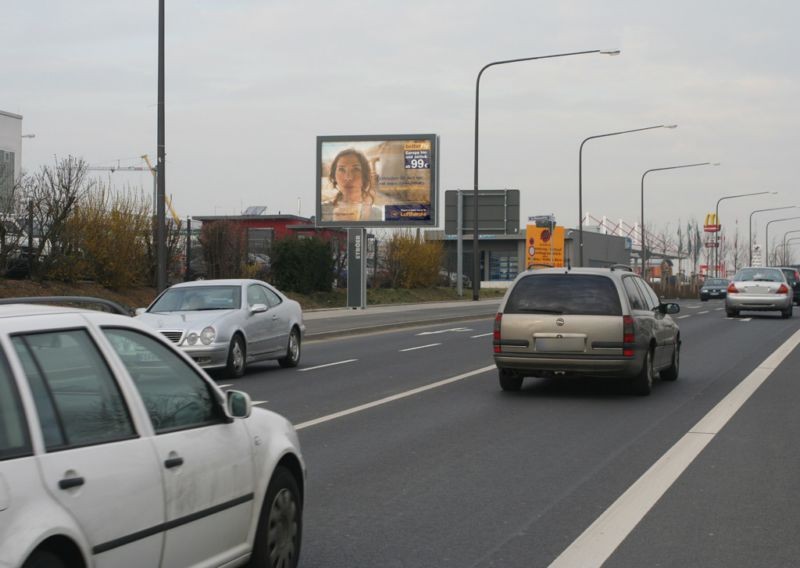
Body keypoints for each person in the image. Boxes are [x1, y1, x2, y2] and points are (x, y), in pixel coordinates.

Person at [326, 148, 383, 222]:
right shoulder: (322, 210)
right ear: (334, 175)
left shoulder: (379, 214)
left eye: (356, 169)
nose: (348, 177)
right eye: (342, 169)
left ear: (365, 175)